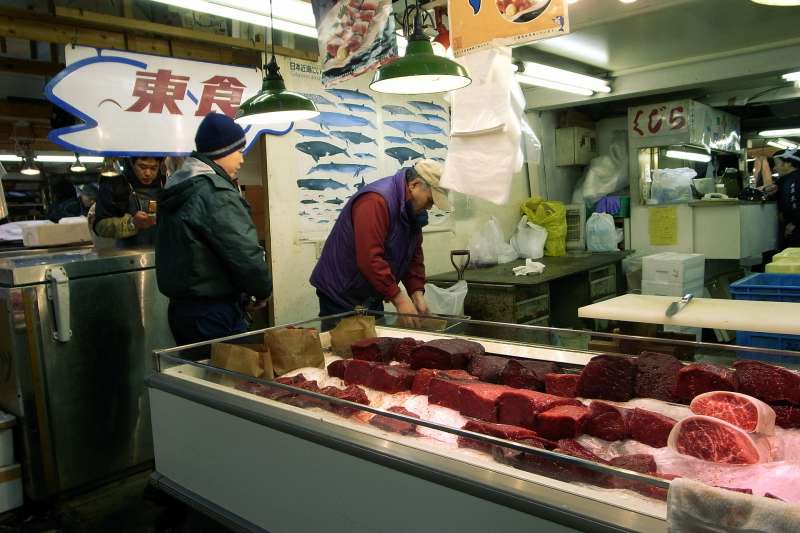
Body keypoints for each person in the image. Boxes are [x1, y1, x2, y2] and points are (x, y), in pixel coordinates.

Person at [156, 112, 272, 346]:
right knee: (230, 381)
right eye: (239, 151)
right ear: (222, 151)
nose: (242, 159)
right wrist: (261, 291)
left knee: (198, 379)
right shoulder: (215, 193)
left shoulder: (179, 186)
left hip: (183, 311)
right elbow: (244, 252)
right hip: (214, 313)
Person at [310, 160, 450, 330]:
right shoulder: (375, 201)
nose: (430, 206)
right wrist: (399, 298)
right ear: (414, 185)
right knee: (345, 351)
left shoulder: (412, 210)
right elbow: (370, 258)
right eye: (430, 200)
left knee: (374, 349)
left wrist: (416, 293)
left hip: (371, 292)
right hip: (342, 292)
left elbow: (412, 255)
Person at [93, 156, 163, 247]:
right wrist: (132, 223)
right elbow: (100, 227)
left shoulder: (165, 183)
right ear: (131, 163)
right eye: (142, 167)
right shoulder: (114, 184)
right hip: (128, 254)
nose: (148, 173)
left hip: (158, 252)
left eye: (154, 168)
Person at [772, 149, 800, 248]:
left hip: (795, 229)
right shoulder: (786, 180)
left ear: (788, 164)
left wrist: (794, 223)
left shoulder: (793, 181)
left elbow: (793, 202)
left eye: (777, 164)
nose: (775, 168)